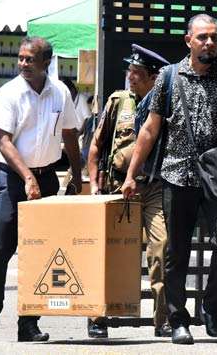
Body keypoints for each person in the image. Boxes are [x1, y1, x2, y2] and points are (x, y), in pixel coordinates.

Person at [121, 14, 217, 345]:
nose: (210, 43)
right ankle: (179, 319)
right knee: (176, 251)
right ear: (189, 41)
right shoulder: (168, 77)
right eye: (203, 37)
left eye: (215, 37)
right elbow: (150, 128)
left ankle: (211, 305)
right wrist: (132, 173)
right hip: (177, 175)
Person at [0, 36, 82, 342]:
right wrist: (27, 178)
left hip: (46, 178)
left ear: (46, 62)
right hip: (10, 178)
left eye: (29, 59)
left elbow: (71, 134)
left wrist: (77, 172)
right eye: (20, 58)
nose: (22, 64)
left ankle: (29, 322)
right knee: (0, 247)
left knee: (40, 250)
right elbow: (3, 141)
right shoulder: (10, 93)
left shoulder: (60, 92)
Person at [87, 44, 171, 338]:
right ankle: (97, 318)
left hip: (154, 189)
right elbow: (96, 145)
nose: (130, 77)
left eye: (137, 73)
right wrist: (95, 184)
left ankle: (163, 320)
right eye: (129, 71)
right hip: (117, 188)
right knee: (108, 254)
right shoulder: (117, 102)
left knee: (160, 251)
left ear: (152, 77)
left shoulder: (166, 104)